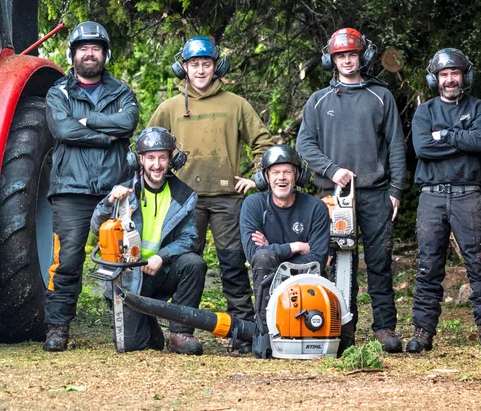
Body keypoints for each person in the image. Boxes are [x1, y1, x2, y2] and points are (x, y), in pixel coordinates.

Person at [147, 36, 270, 348]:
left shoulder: (236, 104)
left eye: (206, 64)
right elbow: (149, 144)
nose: (200, 70)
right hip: (183, 201)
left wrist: (257, 177)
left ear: (217, 67)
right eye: (194, 64)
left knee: (233, 263)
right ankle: (181, 331)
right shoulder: (169, 108)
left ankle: (243, 333)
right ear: (183, 68)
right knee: (187, 262)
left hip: (228, 199)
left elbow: (263, 144)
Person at [295, 27, 407, 353]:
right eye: (341, 55)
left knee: (380, 261)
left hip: (374, 191)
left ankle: (385, 328)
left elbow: (396, 145)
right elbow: (304, 144)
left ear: (363, 56)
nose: (347, 60)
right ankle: (342, 328)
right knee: (338, 260)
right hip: (334, 194)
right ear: (331, 60)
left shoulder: (380, 96)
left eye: (352, 54)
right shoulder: (318, 101)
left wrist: (396, 189)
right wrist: (332, 169)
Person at [43, 21, 140, 352]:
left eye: (95, 48)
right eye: (83, 48)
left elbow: (128, 122)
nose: (89, 54)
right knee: (67, 259)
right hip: (71, 190)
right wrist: (107, 136)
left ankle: (128, 326)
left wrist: (89, 121)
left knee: (122, 257)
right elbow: (63, 131)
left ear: (105, 54)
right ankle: (57, 327)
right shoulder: (59, 92)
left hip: (114, 189)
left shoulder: (122, 92)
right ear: (73, 55)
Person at [407, 49, 481, 352]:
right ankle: (423, 332)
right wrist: (461, 139)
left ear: (465, 76)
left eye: (455, 74)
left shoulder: (480, 108)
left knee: (478, 264)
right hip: (431, 197)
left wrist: (445, 135)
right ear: (434, 79)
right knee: (428, 267)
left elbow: (480, 141)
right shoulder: (425, 112)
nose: (450, 80)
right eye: (444, 75)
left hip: (468, 195)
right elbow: (423, 149)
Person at [92, 127, 206, 354]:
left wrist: (161, 257)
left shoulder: (184, 195)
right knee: (133, 345)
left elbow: (190, 239)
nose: (157, 164)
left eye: (163, 157)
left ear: (171, 159)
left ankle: (179, 334)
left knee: (194, 264)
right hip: (128, 274)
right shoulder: (124, 192)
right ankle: (148, 323)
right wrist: (109, 203)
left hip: (162, 270)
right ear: (140, 160)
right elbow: (97, 227)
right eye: (151, 158)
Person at [239, 145, 330, 358]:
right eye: (276, 172)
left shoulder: (316, 208)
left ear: (297, 175)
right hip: (267, 285)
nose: (282, 178)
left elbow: (318, 258)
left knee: (266, 255)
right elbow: (254, 254)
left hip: (308, 289)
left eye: (287, 172)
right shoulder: (253, 204)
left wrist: (272, 250)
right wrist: (295, 247)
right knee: (262, 257)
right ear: (265, 177)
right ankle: (265, 334)